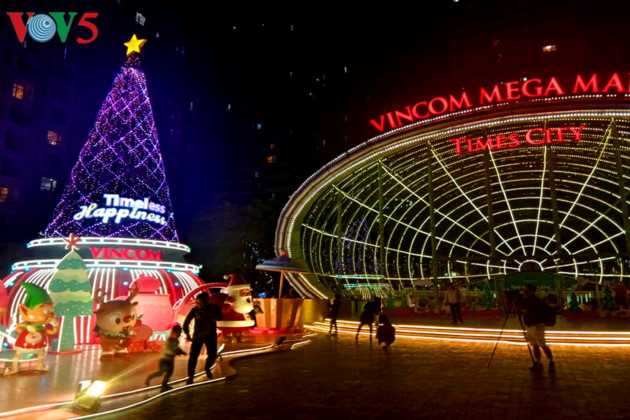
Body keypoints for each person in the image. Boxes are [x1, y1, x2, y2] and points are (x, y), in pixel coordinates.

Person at [183, 292, 223, 384]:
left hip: (210, 335)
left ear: (206, 301)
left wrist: (213, 317)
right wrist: (187, 334)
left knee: (212, 354)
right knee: (193, 356)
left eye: (200, 303)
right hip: (198, 336)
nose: (198, 305)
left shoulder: (213, 308)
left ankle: (207, 367)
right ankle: (190, 376)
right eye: (197, 303)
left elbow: (220, 317)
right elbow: (186, 323)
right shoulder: (195, 310)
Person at [518, 284, 555, 372]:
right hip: (530, 325)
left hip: (536, 325)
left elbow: (530, 311)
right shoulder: (528, 300)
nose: (525, 291)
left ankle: (551, 361)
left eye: (527, 290)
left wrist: (519, 309)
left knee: (542, 344)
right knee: (535, 345)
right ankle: (538, 362)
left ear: (531, 291)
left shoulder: (535, 300)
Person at [145, 325, 187, 391]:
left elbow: (174, 349)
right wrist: (180, 352)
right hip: (167, 359)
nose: (179, 334)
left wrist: (180, 352)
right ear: (175, 333)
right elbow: (174, 349)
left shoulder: (172, 339)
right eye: (179, 333)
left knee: (162, 372)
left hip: (165, 358)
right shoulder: (173, 340)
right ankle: (163, 385)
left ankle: (154, 380)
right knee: (168, 372)